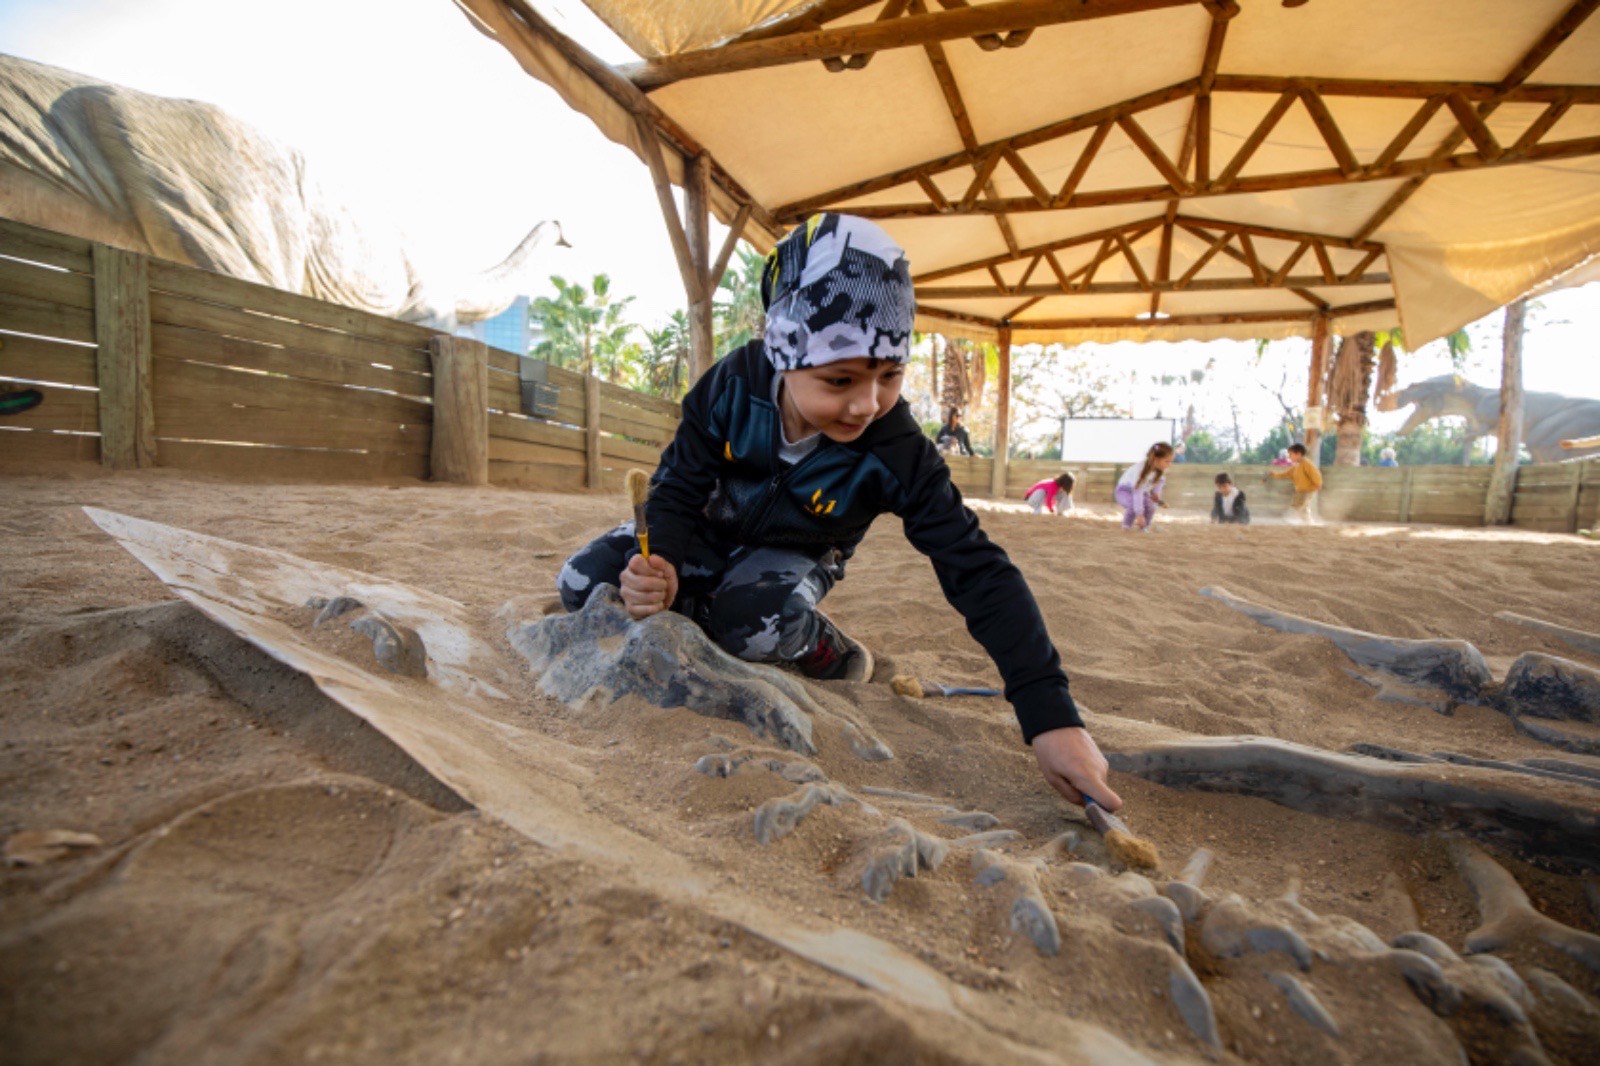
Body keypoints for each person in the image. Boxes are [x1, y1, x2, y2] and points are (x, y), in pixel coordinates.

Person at [556, 213, 1120, 812]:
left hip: (795, 555)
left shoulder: (897, 450)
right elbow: (676, 484)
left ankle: (834, 653)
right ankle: (704, 597)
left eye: (890, 375)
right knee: (582, 581)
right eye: (840, 378)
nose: (866, 404)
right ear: (782, 350)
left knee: (753, 625)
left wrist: (1049, 715)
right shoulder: (730, 386)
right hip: (704, 533)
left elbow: (976, 568)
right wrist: (662, 560)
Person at [1115, 442, 1174, 532]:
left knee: (1151, 506)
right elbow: (1137, 492)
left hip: (1142, 493)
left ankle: (1144, 528)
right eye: (1167, 461)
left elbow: (1158, 485)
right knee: (1133, 504)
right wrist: (1139, 514)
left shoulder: (1159, 473)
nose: (1169, 464)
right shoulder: (1140, 470)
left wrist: (1156, 494)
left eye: (1171, 461)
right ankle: (1126, 527)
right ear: (1155, 459)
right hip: (1124, 491)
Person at [1266, 442, 1323, 523]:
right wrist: (1274, 474)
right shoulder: (1296, 466)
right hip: (1300, 490)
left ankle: (1293, 519)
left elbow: (1316, 474)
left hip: (1307, 490)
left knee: (1299, 506)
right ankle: (1308, 523)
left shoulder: (1307, 464)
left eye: (1290, 454)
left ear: (1298, 454)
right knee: (1301, 507)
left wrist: (1318, 484)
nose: (1289, 457)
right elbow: (1286, 474)